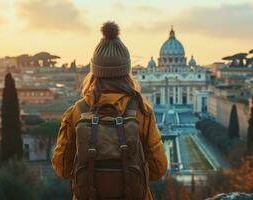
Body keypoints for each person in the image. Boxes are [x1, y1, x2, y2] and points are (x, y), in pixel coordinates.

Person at [52, 21, 167, 200]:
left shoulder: (76, 111)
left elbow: (63, 169)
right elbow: (158, 170)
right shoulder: (143, 111)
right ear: (127, 72)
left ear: (94, 72)